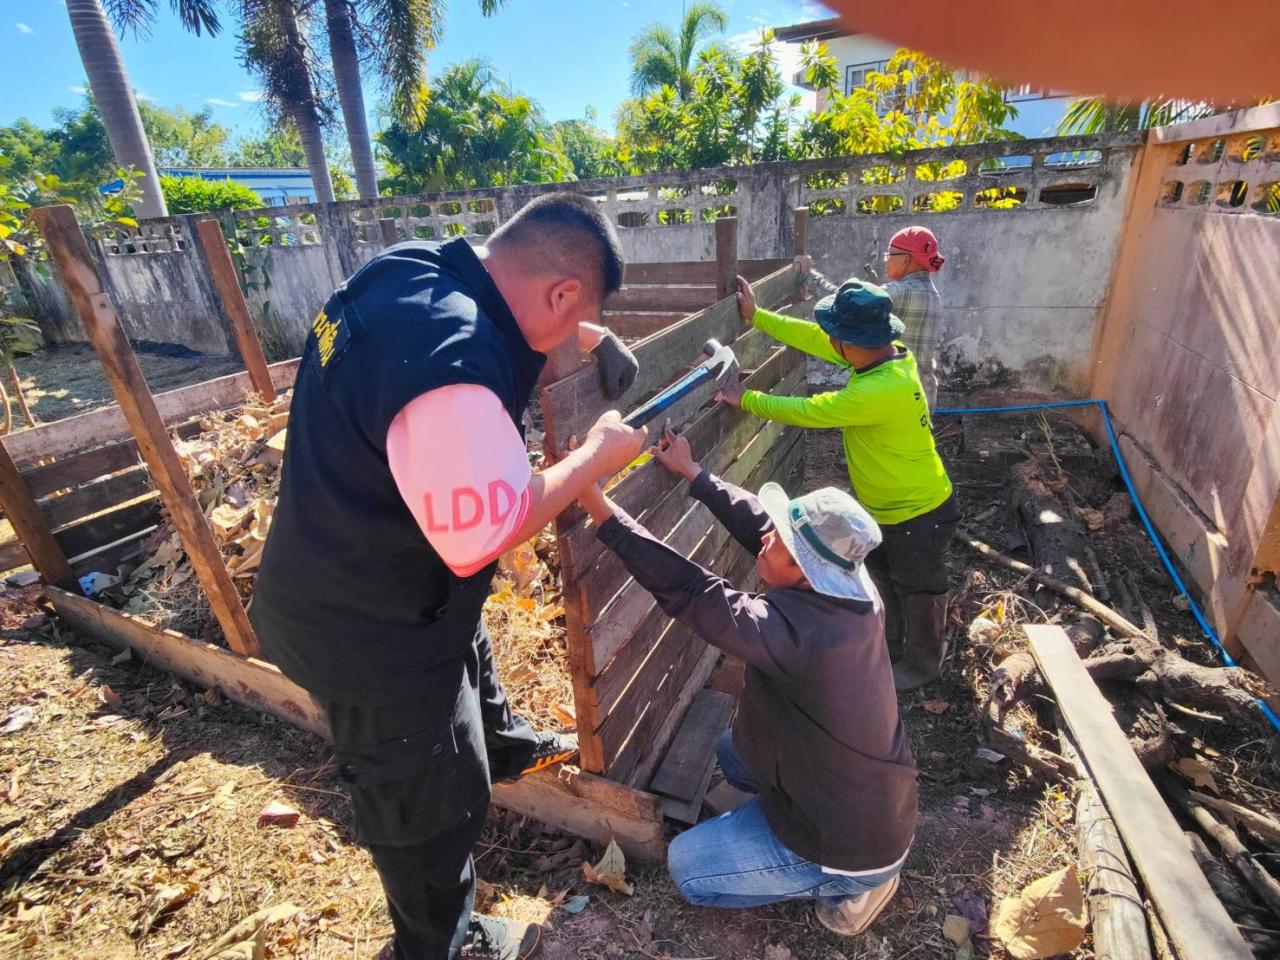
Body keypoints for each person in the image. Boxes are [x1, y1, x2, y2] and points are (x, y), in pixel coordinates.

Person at [251, 194, 649, 960]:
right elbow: (483, 535)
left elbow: (503, 316)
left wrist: (590, 334)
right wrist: (597, 456)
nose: (568, 335)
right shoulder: (453, 375)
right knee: (429, 811)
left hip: (345, 570)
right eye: (572, 314)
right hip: (368, 637)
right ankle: (437, 942)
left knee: (468, 638)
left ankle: (500, 743)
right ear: (559, 292)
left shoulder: (410, 271)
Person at [577, 426, 916, 933]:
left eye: (779, 541)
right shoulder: (852, 586)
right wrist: (695, 474)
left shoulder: (797, 634)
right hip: (869, 793)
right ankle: (777, 824)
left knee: (689, 869)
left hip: (850, 840)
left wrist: (600, 509)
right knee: (733, 750)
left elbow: (695, 594)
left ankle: (852, 884)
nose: (766, 536)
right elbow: (760, 522)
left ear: (805, 569)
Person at [717, 275, 959, 692]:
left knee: (919, 586)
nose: (830, 342)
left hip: (919, 510)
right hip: (890, 505)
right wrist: (758, 317)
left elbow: (811, 411)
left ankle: (923, 663)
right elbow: (815, 337)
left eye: (837, 337)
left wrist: (748, 399)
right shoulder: (887, 356)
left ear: (853, 343)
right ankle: (892, 647)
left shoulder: (881, 388)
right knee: (887, 576)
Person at [796, 225, 945, 408]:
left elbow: (845, 303)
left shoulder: (900, 291)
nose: (886, 261)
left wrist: (808, 275)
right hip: (921, 396)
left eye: (890, 255)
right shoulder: (930, 292)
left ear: (906, 259)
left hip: (896, 397)